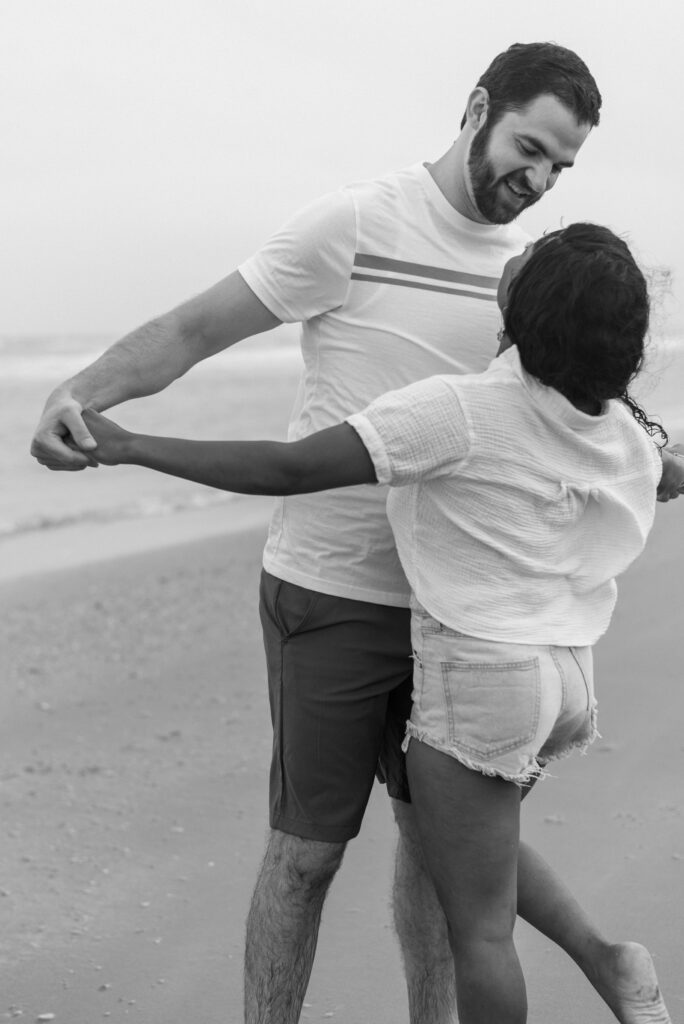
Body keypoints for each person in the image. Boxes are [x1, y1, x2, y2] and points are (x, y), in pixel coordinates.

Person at [30, 41, 683, 1024]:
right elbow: (196, 329)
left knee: (445, 865)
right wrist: (80, 398)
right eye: (530, 146)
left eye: (562, 166)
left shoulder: (530, 275)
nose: (539, 178)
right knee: (304, 856)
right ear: (476, 107)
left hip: (462, 622)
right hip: (331, 591)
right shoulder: (356, 222)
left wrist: (651, 441)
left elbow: (584, 410)